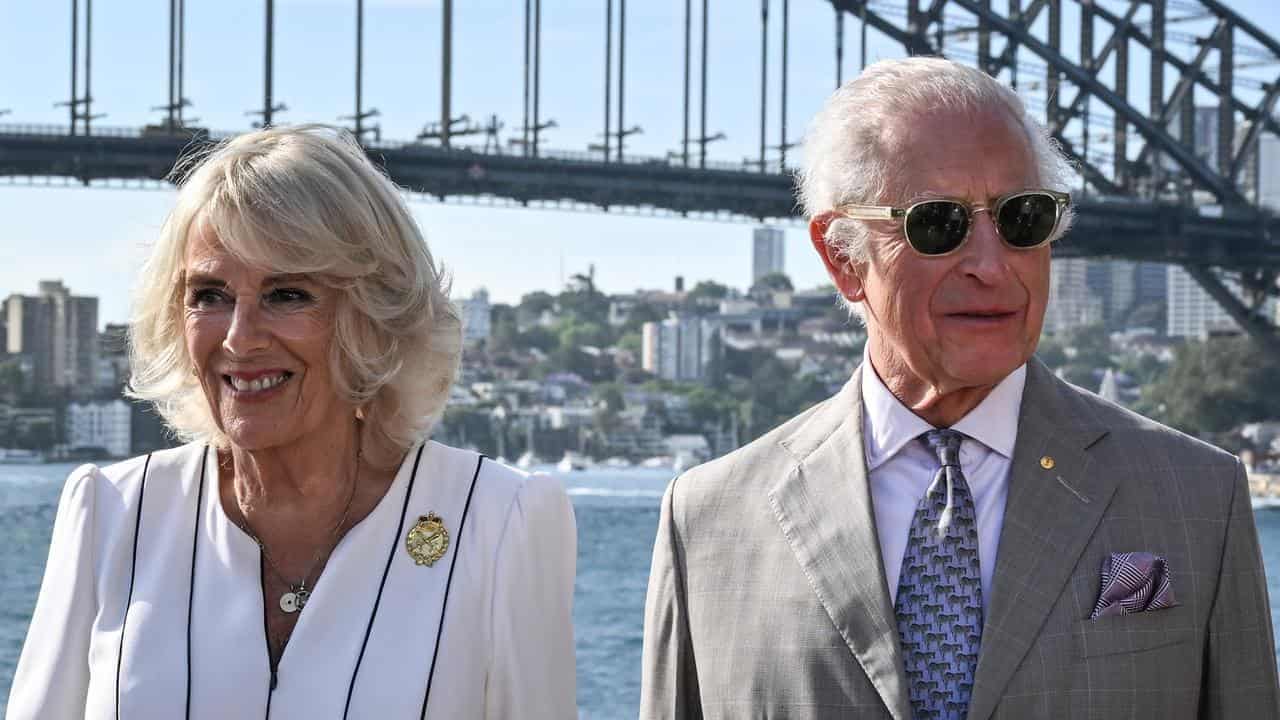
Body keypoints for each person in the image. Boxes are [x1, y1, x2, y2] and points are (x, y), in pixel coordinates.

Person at [641, 57, 1279, 720]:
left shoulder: (1196, 498)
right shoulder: (707, 522)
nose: (990, 264)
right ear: (842, 256)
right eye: (939, 223)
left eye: (1022, 218)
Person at [8, 125, 577, 719]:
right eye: (209, 294)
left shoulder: (499, 523)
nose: (239, 337)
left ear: (372, 316)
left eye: (287, 294)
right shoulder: (111, 513)